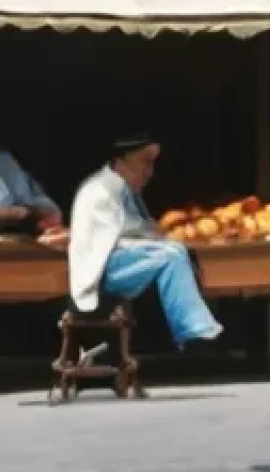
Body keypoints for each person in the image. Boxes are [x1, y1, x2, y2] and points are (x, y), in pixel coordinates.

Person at [68, 133, 223, 346]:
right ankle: (196, 333)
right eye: (145, 163)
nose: (150, 173)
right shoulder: (101, 191)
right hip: (102, 271)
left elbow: (143, 230)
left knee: (176, 250)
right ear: (121, 162)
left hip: (123, 261)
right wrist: (158, 242)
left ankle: (197, 329)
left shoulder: (124, 190)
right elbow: (112, 243)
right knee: (171, 256)